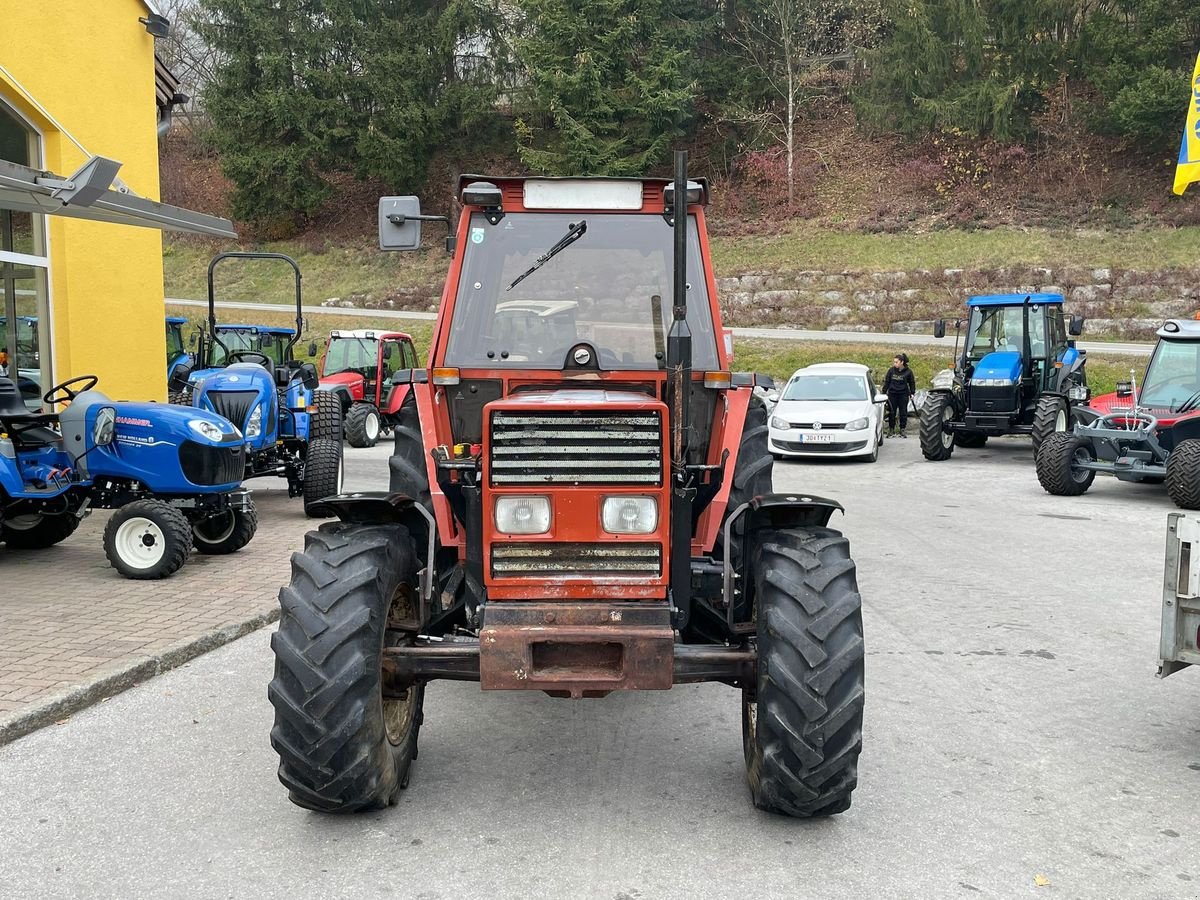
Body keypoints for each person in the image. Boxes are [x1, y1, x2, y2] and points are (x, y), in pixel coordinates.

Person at [883, 352, 916, 438]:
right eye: (894, 362)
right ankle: (891, 430)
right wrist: (884, 393)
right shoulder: (891, 371)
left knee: (903, 412)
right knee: (891, 413)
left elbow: (912, 383)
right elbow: (887, 382)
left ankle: (902, 430)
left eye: (896, 362)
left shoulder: (908, 372)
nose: (895, 364)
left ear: (902, 362)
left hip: (903, 395)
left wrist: (912, 393)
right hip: (892, 395)